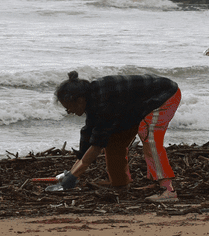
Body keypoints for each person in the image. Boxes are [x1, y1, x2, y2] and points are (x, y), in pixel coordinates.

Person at [49, 71, 181, 203]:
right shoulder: (92, 100)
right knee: (114, 140)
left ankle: (168, 190)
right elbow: (88, 137)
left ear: (79, 100)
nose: (69, 112)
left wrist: (73, 177)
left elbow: (96, 147)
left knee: (147, 134)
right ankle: (121, 183)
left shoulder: (103, 103)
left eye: (69, 108)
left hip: (165, 95)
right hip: (138, 105)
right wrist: (71, 173)